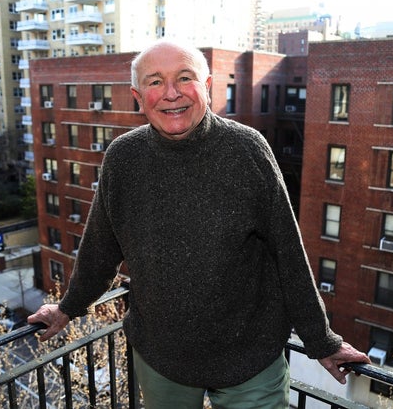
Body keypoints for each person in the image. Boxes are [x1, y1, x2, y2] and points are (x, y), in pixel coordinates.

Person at [28, 39, 370, 408]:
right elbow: (100, 249)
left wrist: (321, 340)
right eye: (155, 82)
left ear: (206, 87)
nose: (171, 93)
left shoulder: (247, 150)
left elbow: (288, 253)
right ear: (138, 98)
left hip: (250, 357)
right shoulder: (123, 158)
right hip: (162, 360)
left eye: (184, 78)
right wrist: (68, 307)